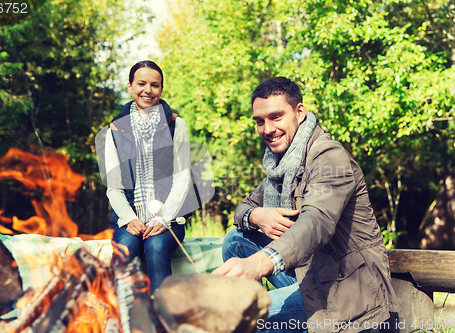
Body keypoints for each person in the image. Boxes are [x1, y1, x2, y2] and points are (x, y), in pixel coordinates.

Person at [212, 77, 398, 333]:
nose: (267, 129)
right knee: (236, 239)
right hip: (308, 270)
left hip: (345, 287)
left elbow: (316, 223)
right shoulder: (282, 165)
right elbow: (243, 208)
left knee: (242, 316)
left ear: (299, 113)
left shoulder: (329, 157)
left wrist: (258, 264)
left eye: (276, 117)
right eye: (259, 121)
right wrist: (257, 215)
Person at [104, 60, 191, 292]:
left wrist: (163, 218)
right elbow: (114, 187)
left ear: (161, 89)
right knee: (126, 246)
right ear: (130, 86)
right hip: (127, 218)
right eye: (141, 83)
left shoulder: (176, 125)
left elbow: (182, 179)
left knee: (155, 246)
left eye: (155, 85)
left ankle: (162, 317)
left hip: (169, 218)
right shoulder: (114, 130)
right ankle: (120, 315)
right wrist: (130, 218)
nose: (148, 90)